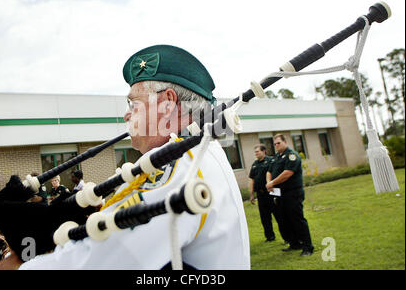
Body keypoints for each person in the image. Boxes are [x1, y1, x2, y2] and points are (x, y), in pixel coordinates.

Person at [19, 44, 250, 269]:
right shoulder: (199, 153)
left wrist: (19, 266)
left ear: (167, 104)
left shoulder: (181, 162)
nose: (126, 114)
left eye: (133, 103)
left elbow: (101, 260)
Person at [266, 134, 314, 256]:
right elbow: (269, 171)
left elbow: (288, 173)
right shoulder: (277, 157)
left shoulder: (291, 156)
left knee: (297, 219)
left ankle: (308, 247)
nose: (276, 145)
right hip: (280, 194)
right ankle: (295, 243)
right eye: (275, 144)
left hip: (292, 193)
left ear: (285, 142)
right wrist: (269, 183)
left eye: (278, 143)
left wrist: (272, 182)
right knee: (285, 220)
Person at [248, 144, 283, 242]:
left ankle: (287, 237)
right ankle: (270, 237)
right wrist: (251, 194)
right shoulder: (255, 164)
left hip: (271, 193)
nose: (256, 153)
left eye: (257, 151)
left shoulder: (270, 161)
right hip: (260, 194)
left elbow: (275, 174)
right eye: (255, 152)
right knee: (264, 217)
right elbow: (251, 179)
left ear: (264, 151)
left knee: (278, 215)